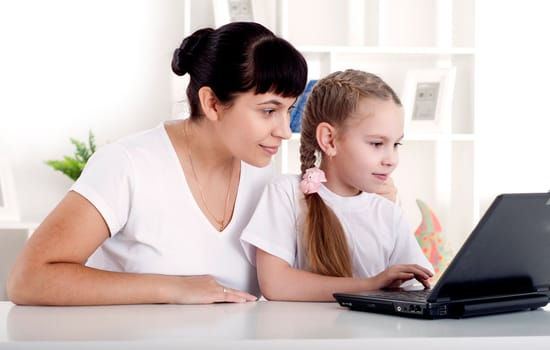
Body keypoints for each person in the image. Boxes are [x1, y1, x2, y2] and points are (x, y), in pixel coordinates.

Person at [7, 22, 309, 305]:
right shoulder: (127, 165)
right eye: (269, 111)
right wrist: (173, 287)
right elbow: (28, 278)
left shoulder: (260, 170)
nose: (284, 131)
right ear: (212, 103)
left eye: (289, 110)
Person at [241, 69, 434, 302]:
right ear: (329, 140)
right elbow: (276, 284)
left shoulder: (389, 213)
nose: (391, 159)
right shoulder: (287, 193)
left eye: (396, 144)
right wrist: (369, 286)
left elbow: (418, 287)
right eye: (376, 143)